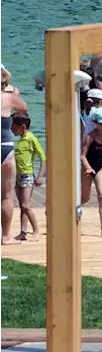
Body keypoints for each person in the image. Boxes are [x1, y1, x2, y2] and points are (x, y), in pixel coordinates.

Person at [0, 80, 28, 245]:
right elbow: (23, 109)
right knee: (6, 195)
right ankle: (6, 236)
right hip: (4, 147)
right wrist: (15, 95)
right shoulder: (9, 98)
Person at [11, 113, 42, 241]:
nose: (11, 129)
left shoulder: (31, 139)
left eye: (13, 126)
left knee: (25, 205)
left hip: (27, 175)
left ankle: (36, 231)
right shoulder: (21, 140)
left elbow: (43, 157)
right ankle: (23, 232)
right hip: (18, 175)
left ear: (22, 127)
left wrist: (40, 176)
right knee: (22, 205)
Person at [81, 105, 102, 237]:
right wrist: (87, 167)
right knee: (85, 197)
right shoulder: (90, 137)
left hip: (100, 168)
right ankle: (68, 212)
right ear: (95, 123)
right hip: (88, 167)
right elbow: (82, 156)